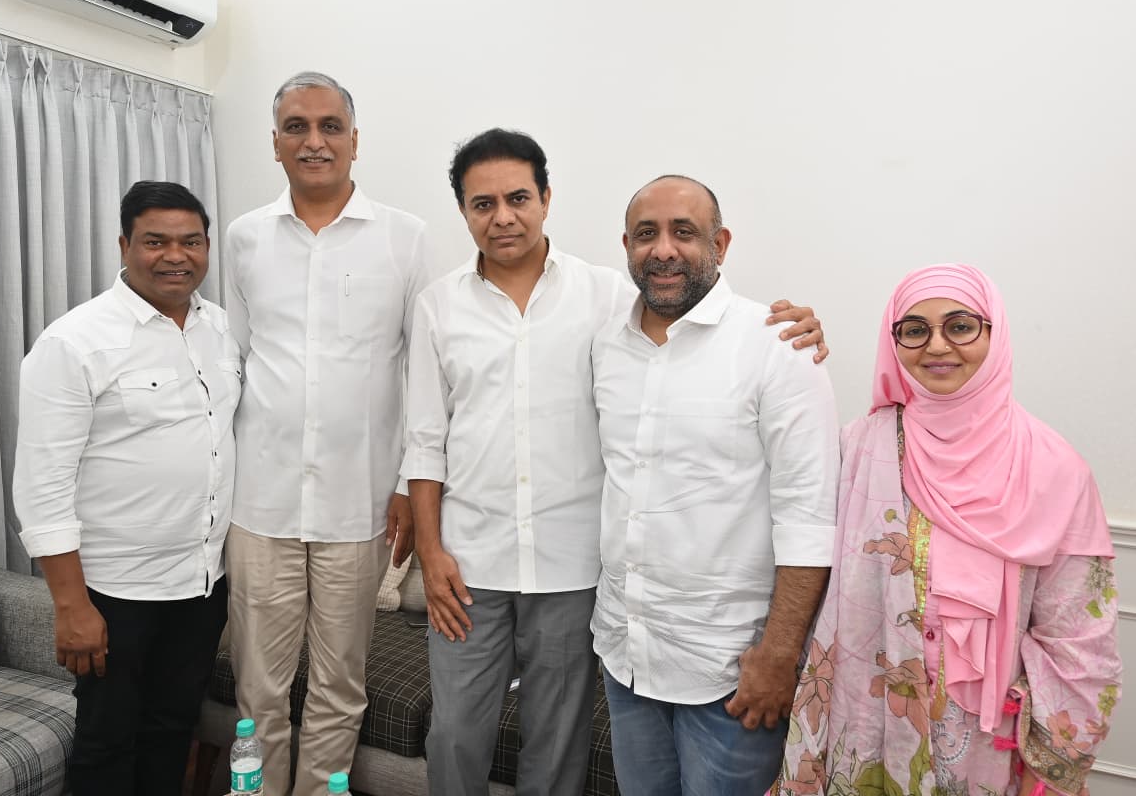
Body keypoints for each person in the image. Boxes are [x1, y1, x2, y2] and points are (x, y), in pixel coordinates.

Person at [403, 137, 827, 796]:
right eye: (483, 204)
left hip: (573, 568)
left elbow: (690, 316)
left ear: (546, 199)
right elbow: (425, 439)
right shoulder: (441, 305)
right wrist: (429, 553)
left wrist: (795, 328)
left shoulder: (607, 295)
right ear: (463, 211)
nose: (503, 216)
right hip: (472, 562)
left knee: (558, 744)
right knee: (454, 735)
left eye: (518, 198)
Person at [777, 264, 1121, 796]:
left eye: (960, 326)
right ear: (894, 342)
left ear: (994, 333)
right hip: (864, 721)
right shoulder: (857, 448)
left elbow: (1078, 638)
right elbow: (785, 526)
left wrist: (1056, 758)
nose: (937, 345)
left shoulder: (1055, 469)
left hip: (982, 744)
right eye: (915, 330)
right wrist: (777, 352)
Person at [590, 175, 840, 796]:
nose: (663, 250)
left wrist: (779, 656)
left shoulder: (777, 347)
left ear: (720, 244)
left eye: (684, 232)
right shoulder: (605, 346)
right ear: (626, 246)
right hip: (627, 651)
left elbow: (808, 518)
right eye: (646, 234)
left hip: (732, 672)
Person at [224, 71, 425, 796]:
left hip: (358, 507)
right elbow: (233, 361)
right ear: (275, 142)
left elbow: (423, 372)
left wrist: (407, 485)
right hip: (260, 505)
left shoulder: (405, 238)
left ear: (354, 141)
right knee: (257, 692)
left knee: (340, 690)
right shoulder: (245, 238)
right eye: (297, 127)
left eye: (329, 126)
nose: (314, 141)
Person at [12, 180, 239, 795]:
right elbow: (42, 485)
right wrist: (71, 606)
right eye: (155, 241)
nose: (175, 256)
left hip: (201, 584)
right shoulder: (74, 341)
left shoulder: (219, 329)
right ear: (124, 246)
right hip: (115, 592)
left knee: (172, 730)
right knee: (106, 742)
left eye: (191, 241)